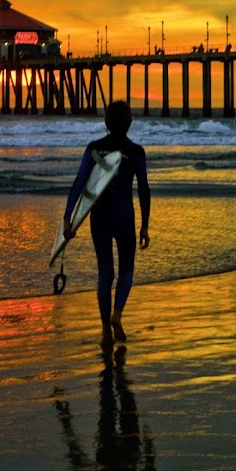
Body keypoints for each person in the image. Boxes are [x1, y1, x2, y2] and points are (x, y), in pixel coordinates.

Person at [62, 101, 150, 346]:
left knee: (105, 273)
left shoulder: (94, 149)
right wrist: (145, 224)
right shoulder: (136, 152)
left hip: (99, 217)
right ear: (130, 122)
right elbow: (143, 189)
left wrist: (68, 217)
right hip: (124, 217)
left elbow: (79, 183)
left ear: (106, 122)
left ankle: (104, 330)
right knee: (127, 270)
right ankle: (117, 315)